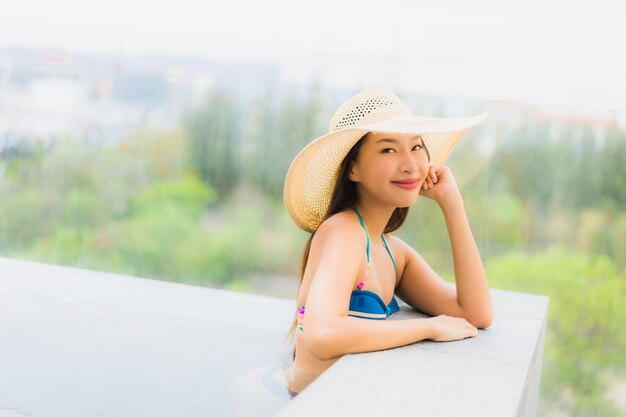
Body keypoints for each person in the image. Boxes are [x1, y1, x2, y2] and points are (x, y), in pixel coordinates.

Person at [282, 89, 493, 397]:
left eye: (416, 147)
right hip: (311, 404)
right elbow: (322, 334)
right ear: (352, 169)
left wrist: (451, 202)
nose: (410, 165)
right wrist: (429, 327)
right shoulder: (343, 232)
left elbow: (476, 314)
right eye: (388, 150)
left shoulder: (394, 253)